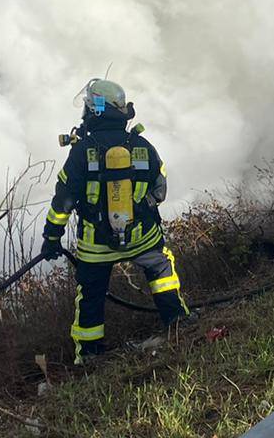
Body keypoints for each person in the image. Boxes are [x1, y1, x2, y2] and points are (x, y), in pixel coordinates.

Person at [40, 79, 188, 364]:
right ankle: (179, 323)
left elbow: (63, 202)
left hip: (97, 246)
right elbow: (160, 187)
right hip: (143, 238)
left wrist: (51, 239)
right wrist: (141, 209)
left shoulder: (82, 151)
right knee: (162, 272)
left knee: (91, 297)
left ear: (92, 111)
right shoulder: (142, 144)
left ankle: (89, 358)